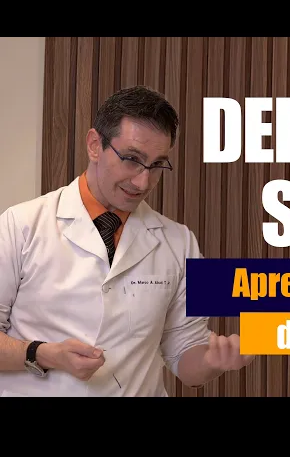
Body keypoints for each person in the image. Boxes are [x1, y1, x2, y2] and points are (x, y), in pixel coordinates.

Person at [0, 85, 254, 397]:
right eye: (132, 159)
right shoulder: (21, 225)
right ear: (95, 145)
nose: (143, 182)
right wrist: (42, 354)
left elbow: (184, 355)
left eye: (157, 165)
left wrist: (213, 361)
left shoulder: (179, 242)